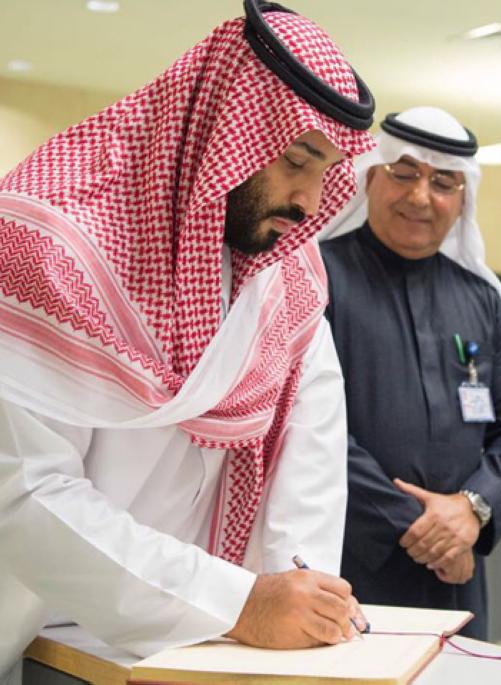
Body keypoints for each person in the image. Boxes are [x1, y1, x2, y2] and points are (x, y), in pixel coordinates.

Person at [0, 2, 377, 679]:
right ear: (222, 133)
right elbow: (26, 492)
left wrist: (302, 597)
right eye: (295, 160)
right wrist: (239, 604)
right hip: (37, 628)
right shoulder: (47, 251)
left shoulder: (286, 279)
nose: (308, 199)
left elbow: (310, 455)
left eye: (325, 171)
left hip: (195, 643)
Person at [318, 107, 501, 640]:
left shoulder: (481, 299)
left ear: (463, 200)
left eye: (444, 182)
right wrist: (425, 531)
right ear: (371, 175)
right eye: (405, 173)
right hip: (346, 565)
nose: (421, 197)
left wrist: (472, 510)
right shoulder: (318, 277)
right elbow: (307, 426)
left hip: (456, 572)